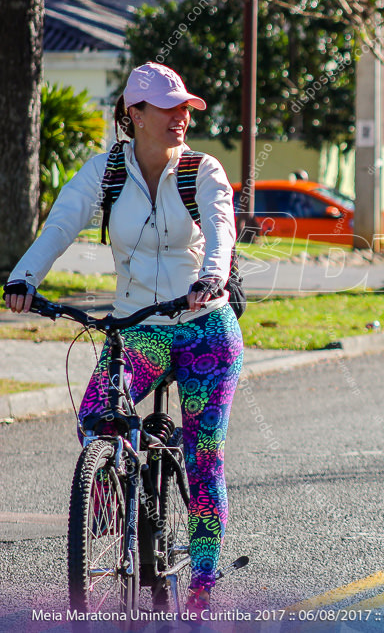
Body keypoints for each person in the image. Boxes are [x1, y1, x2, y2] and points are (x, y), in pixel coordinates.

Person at [2, 62, 243, 614]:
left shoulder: (201, 171)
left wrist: (212, 276)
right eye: (168, 106)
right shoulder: (105, 171)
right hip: (140, 328)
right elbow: (61, 224)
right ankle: (120, 492)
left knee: (206, 457)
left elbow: (221, 228)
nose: (181, 116)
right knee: (95, 418)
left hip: (204, 326)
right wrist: (23, 277)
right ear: (134, 114)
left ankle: (201, 596)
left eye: (186, 107)